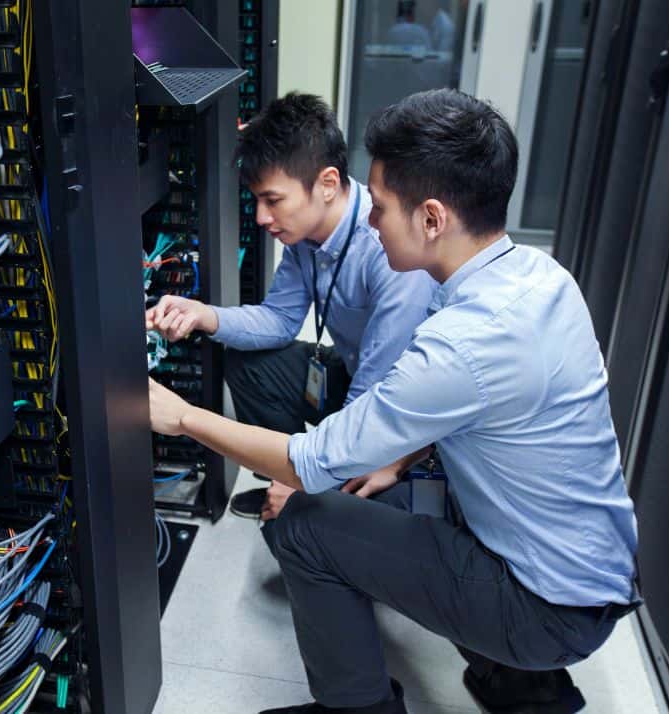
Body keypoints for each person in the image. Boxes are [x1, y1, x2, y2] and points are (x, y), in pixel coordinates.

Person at [148, 89, 640, 714]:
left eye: (379, 207)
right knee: (372, 490)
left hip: (546, 607)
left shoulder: (461, 342)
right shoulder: (539, 277)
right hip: (588, 577)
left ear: (432, 219)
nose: (371, 220)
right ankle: (516, 681)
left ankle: (370, 707)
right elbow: (478, 409)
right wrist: (399, 459)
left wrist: (182, 416)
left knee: (304, 524)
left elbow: (314, 460)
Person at [146, 92, 434, 518]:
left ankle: (303, 494)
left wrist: (313, 479)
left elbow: (374, 391)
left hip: (401, 409)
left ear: (327, 184)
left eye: (273, 200)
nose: (261, 218)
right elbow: (279, 321)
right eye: (257, 201)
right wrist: (203, 315)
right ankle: (284, 481)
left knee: (298, 526)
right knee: (249, 364)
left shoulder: (384, 247)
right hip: (356, 373)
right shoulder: (305, 237)